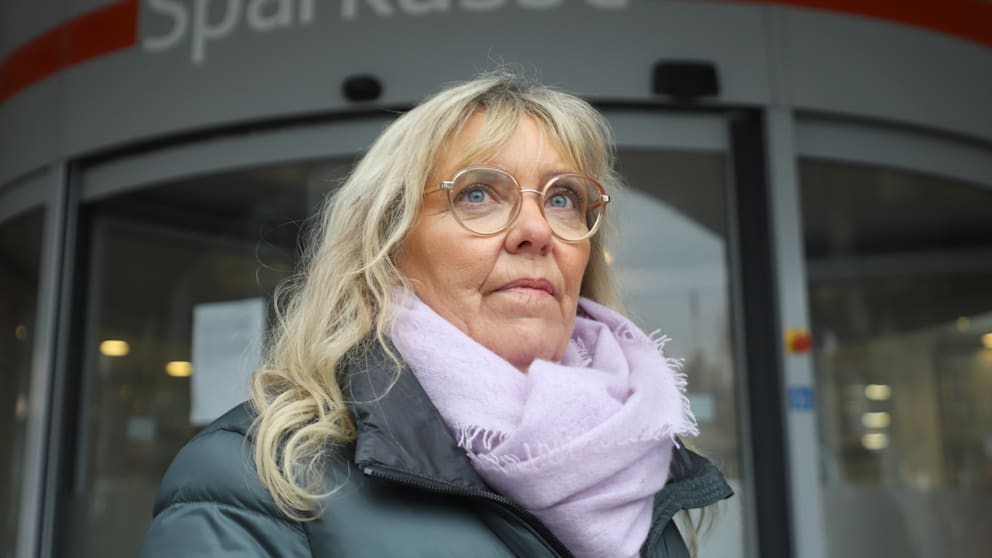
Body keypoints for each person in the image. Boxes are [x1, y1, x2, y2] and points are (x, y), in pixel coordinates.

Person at [138, 72, 732, 558]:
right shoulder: (255, 478)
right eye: (478, 193)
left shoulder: (634, 457)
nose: (536, 230)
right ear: (388, 244)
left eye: (562, 198)